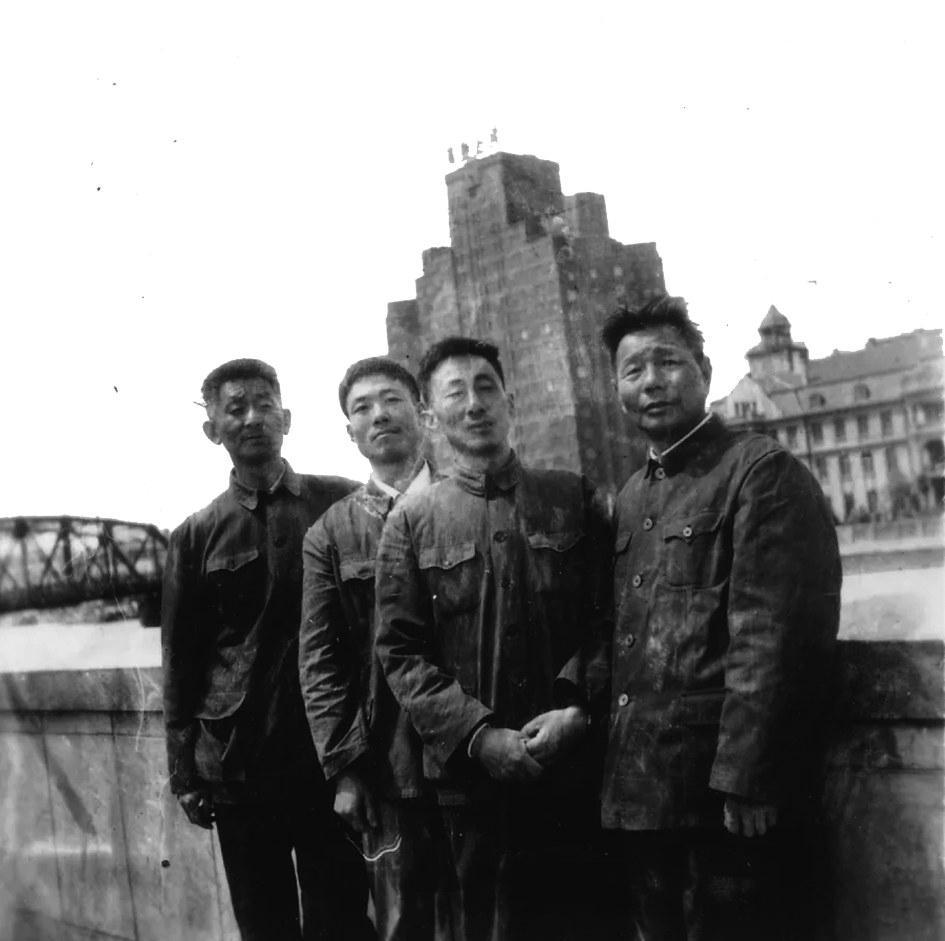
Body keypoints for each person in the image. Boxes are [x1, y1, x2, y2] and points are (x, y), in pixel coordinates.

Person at [597, 295, 841, 940]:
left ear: (704, 371)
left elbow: (775, 636)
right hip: (645, 796)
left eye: (668, 363)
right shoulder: (632, 494)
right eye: (633, 370)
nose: (652, 382)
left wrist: (748, 776)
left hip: (725, 801)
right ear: (616, 389)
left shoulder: (759, 471)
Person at [374, 336, 613, 941]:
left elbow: (610, 620)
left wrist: (577, 709)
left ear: (511, 401)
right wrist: (479, 736)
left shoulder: (573, 497)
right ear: (431, 417)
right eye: (456, 393)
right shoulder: (411, 521)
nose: (475, 404)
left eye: (487, 388)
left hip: (572, 772)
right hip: (468, 790)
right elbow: (400, 653)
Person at [161, 358, 374, 941]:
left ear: (287, 418)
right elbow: (180, 663)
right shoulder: (195, 536)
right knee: (264, 924)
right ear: (213, 430)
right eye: (236, 409)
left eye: (264, 405)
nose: (253, 418)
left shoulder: (343, 502)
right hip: (238, 765)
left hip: (331, 758)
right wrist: (185, 775)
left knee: (344, 919)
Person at [299, 356, 446, 941]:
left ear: (422, 412)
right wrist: (344, 771)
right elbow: (320, 662)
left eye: (391, 399)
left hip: (480, 753)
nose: (379, 415)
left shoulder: (470, 499)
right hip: (391, 768)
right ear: (350, 432)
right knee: (405, 922)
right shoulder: (330, 533)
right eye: (362, 408)